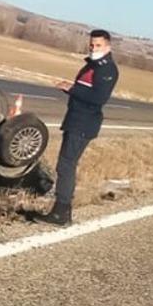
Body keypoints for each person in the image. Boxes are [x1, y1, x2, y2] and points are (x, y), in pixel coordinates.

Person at [36, 29, 119, 226]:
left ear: (108, 47)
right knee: (65, 164)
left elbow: (99, 98)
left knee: (66, 165)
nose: (93, 48)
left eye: (98, 45)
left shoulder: (107, 69)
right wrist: (72, 90)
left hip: (84, 122)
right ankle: (61, 211)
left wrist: (72, 88)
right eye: (91, 44)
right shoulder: (91, 65)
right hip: (74, 118)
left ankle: (61, 212)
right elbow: (84, 91)